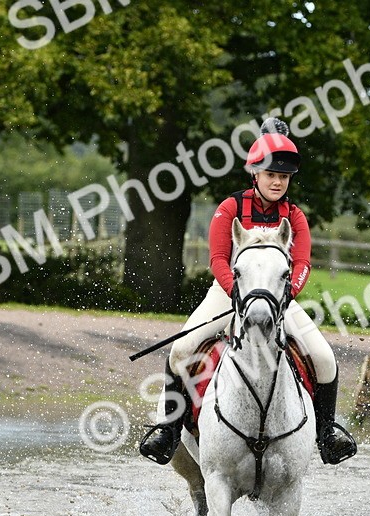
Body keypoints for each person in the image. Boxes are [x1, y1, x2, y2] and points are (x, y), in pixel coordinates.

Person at [138, 118, 357, 466]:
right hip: (227, 294)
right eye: (271, 175)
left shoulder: (295, 216)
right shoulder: (230, 208)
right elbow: (218, 259)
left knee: (325, 358)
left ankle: (326, 434)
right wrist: (236, 294)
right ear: (255, 174)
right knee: (180, 349)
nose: (277, 182)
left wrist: (287, 294)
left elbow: (302, 265)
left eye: (283, 177)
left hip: (278, 301)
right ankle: (168, 431)